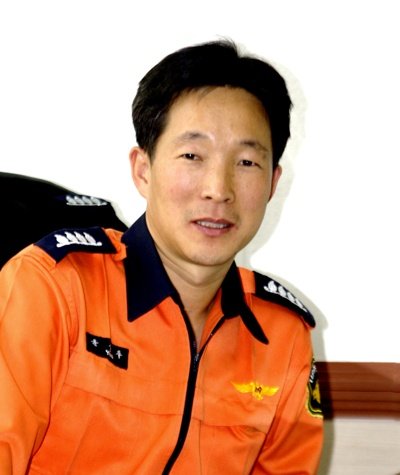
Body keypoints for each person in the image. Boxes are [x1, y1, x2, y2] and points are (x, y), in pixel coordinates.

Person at [0, 40, 323, 474]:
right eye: (192, 156)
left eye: (247, 162)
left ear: (272, 184)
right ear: (143, 169)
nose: (218, 189)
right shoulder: (55, 288)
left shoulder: (281, 335)